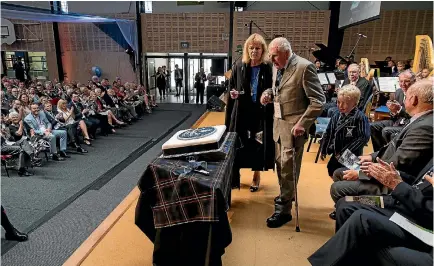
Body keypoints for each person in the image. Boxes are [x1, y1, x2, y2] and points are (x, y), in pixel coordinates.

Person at [330, 79, 433, 208]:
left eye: (406, 97)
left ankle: (349, 208)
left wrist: (361, 173)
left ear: (413, 100)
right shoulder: (422, 119)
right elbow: (393, 147)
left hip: (393, 183)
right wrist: (370, 157)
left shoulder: (425, 127)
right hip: (383, 166)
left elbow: (399, 164)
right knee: (340, 170)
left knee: (337, 188)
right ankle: (344, 208)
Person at [309, 159, 433, 266]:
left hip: (420, 223)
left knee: (361, 218)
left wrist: (396, 184)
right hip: (400, 200)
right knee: (345, 203)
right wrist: (393, 174)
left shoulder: (421, 131)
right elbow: (416, 180)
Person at [260, 37, 325, 228]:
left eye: (274, 56)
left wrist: (303, 123)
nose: (271, 60)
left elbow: (318, 101)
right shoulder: (276, 66)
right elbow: (278, 89)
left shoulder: (304, 68)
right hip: (278, 127)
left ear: (286, 53)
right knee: (281, 167)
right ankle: (287, 196)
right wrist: (268, 94)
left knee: (288, 170)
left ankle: (284, 210)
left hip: (294, 129)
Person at [225, 33, 274, 192]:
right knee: (238, 144)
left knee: (257, 144)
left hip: (260, 113)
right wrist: (233, 94)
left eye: (257, 48)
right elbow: (232, 87)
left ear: (263, 50)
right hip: (241, 112)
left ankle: (256, 175)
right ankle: (235, 177)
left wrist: (268, 94)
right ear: (247, 49)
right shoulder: (239, 66)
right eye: (251, 48)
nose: (254, 51)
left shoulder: (267, 68)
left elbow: (274, 88)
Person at [320, 85, 370, 177]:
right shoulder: (336, 115)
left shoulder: (360, 117)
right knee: (331, 169)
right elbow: (329, 132)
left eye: (345, 103)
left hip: (350, 154)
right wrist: (324, 148)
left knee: (350, 174)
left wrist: (344, 153)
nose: (340, 105)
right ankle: (338, 184)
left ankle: (345, 188)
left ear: (355, 104)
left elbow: (363, 138)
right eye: (338, 102)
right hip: (336, 152)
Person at [370, 70, 414, 151]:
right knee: (371, 126)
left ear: (413, 81)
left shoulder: (416, 94)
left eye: (406, 81)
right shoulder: (398, 92)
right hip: (397, 121)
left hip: (409, 124)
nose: (403, 84)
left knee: (386, 131)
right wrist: (392, 111)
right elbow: (392, 116)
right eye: (401, 81)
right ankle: (379, 152)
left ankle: (389, 153)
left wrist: (399, 110)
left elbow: (415, 115)